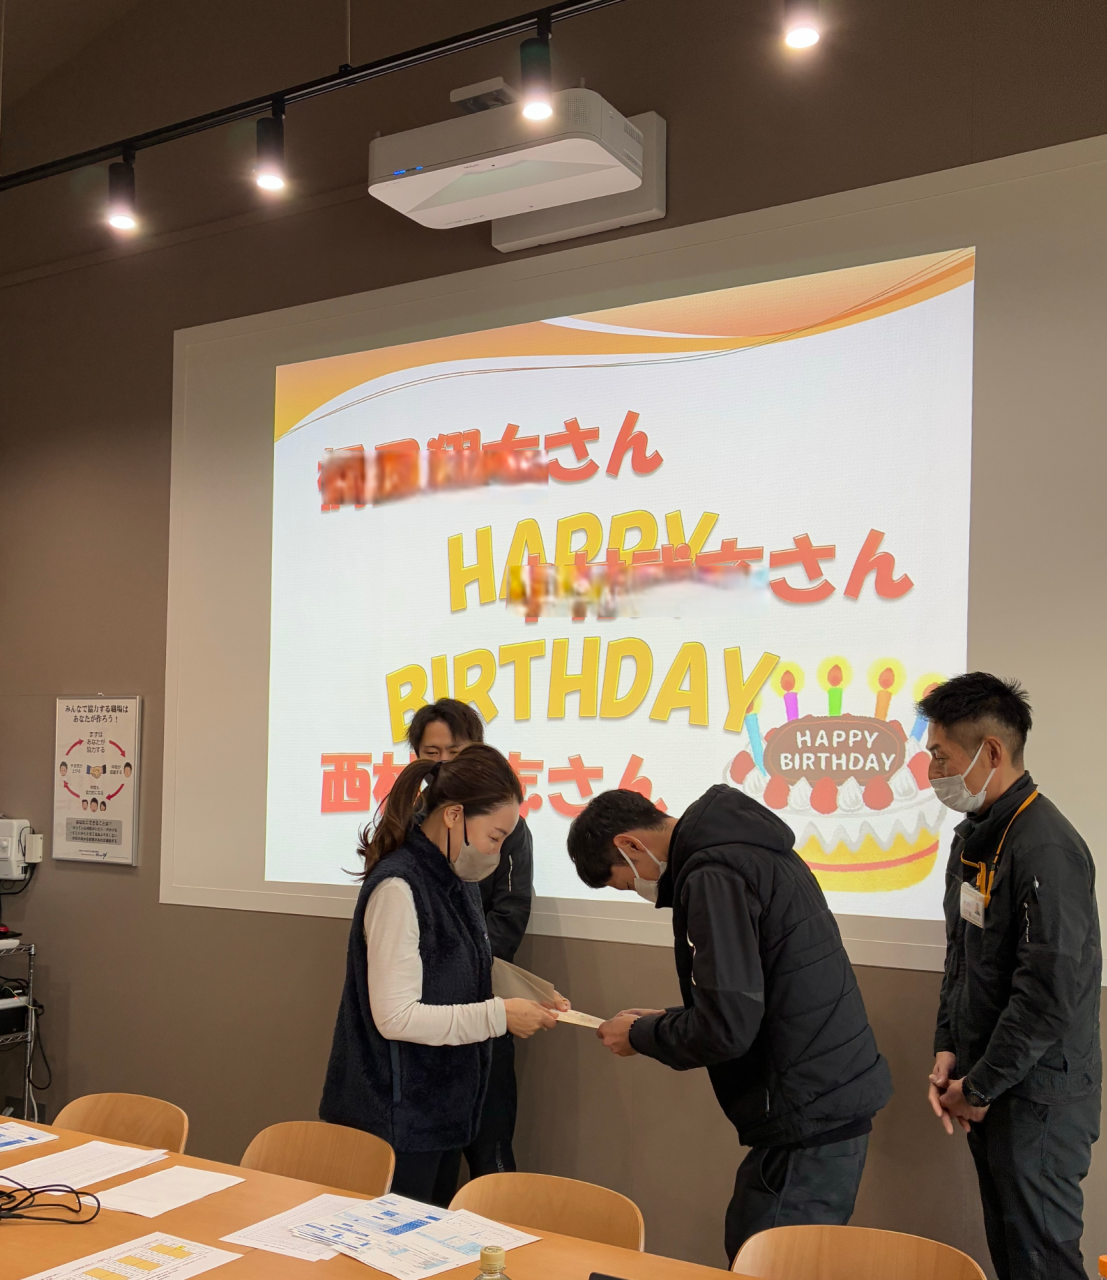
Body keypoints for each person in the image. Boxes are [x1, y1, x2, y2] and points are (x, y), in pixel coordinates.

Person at [566, 783, 893, 1262]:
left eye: (626, 883)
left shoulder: (713, 875)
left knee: (766, 1259)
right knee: (763, 1246)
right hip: (822, 1093)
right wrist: (671, 1019)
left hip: (806, 1110)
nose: (641, 891)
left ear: (630, 845)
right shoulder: (749, 849)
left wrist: (639, 1036)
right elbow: (752, 997)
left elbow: (726, 1029)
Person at [320, 744, 560, 1206]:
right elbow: (396, 1017)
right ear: (453, 816)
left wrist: (530, 996)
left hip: (441, 1114)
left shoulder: (455, 879)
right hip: (395, 1120)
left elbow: (463, 967)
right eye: (494, 837)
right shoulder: (399, 887)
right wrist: (500, 1016)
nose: (497, 852)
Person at [921, 673, 1100, 1280]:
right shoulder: (977, 837)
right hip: (991, 1087)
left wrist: (978, 1087)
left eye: (940, 755)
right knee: (1013, 1256)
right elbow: (961, 956)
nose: (932, 770)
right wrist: (948, 1047)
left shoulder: (1046, 848)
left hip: (1036, 1102)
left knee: (1041, 1263)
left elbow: (1047, 995)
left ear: (991, 752)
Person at [406, 699, 534, 1178]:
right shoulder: (407, 826)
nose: (442, 763)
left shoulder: (505, 824)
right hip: (420, 1015)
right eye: (431, 752)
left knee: (489, 1151)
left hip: (484, 1003)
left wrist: (462, 970)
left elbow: (510, 913)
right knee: (426, 1166)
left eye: (454, 752)